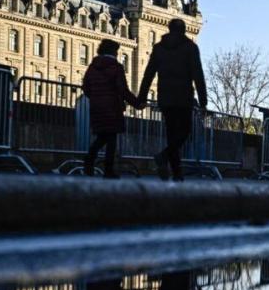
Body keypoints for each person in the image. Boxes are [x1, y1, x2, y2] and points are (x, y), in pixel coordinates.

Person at [137, 19, 208, 182]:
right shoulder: (190, 48)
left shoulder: (159, 48)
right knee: (184, 133)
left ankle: (176, 173)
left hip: (165, 97)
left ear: (169, 29)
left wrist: (142, 97)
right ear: (184, 30)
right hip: (183, 97)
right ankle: (165, 157)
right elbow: (198, 75)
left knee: (171, 134)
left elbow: (148, 74)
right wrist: (203, 101)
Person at [82, 39, 141, 178]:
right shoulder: (116, 67)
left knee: (102, 136)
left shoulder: (92, 67)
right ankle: (108, 170)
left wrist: (96, 97)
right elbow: (123, 90)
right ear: (114, 52)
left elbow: (86, 88)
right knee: (111, 138)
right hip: (112, 107)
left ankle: (90, 159)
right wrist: (137, 103)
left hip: (97, 106)